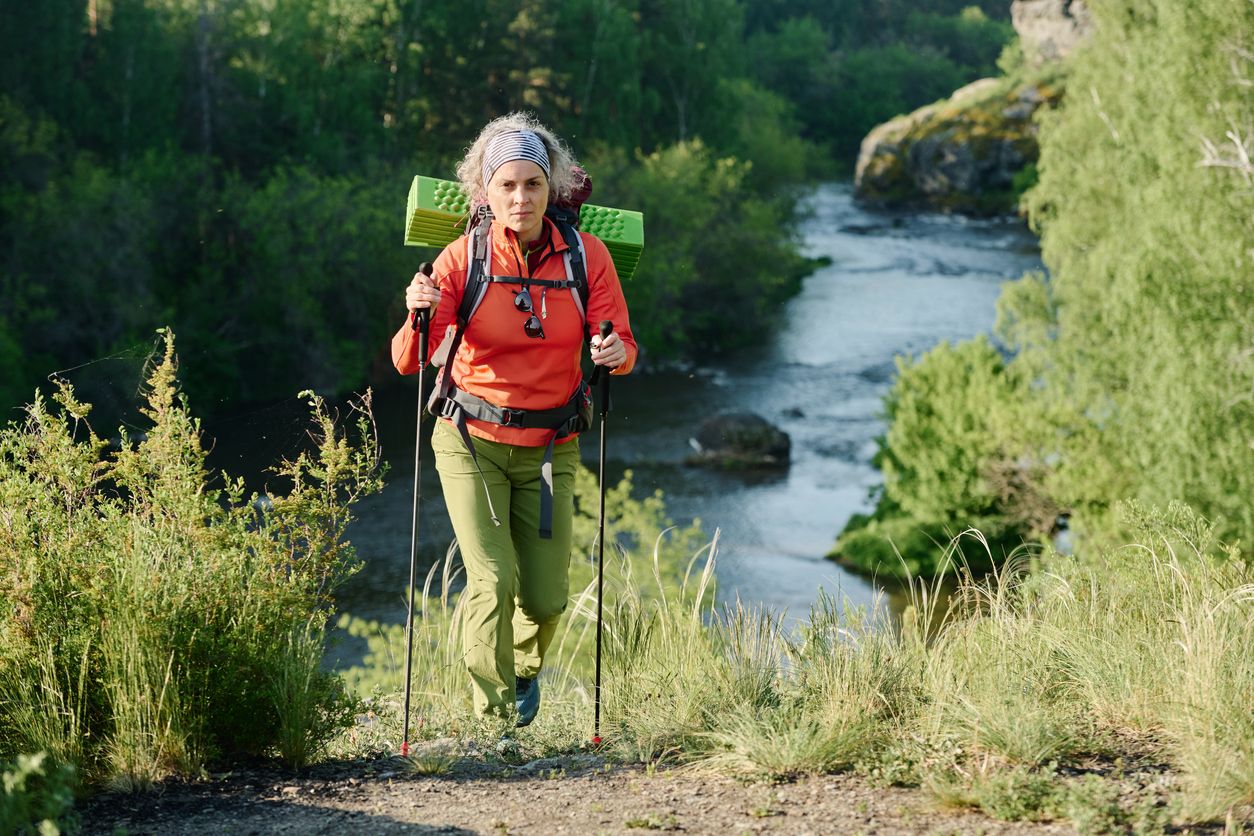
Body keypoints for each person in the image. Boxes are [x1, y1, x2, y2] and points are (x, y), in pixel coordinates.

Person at [391, 113, 637, 726]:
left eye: (533, 184)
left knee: (548, 599)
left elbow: (623, 346)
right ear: (486, 192)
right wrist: (417, 312)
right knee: (492, 580)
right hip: (470, 442)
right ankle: (494, 722)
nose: (521, 198)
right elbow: (407, 361)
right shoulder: (460, 258)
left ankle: (524, 672)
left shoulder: (587, 256)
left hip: (552, 447)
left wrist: (613, 352)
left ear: (551, 187)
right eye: (508, 186)